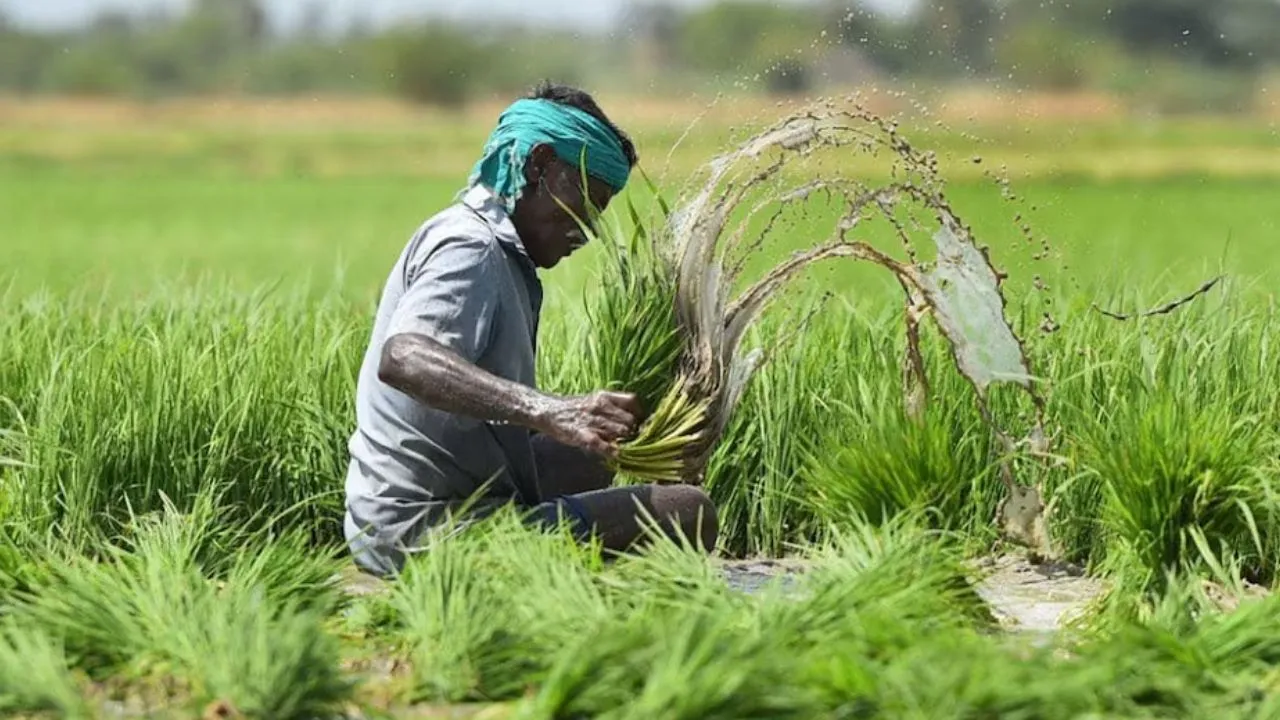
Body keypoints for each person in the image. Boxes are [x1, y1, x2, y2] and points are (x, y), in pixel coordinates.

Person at [343, 82, 719, 577]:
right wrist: (547, 409)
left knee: (600, 454)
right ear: (539, 166)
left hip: (417, 511)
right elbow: (404, 358)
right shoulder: (471, 248)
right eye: (588, 200)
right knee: (689, 510)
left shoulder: (498, 252)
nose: (589, 230)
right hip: (424, 532)